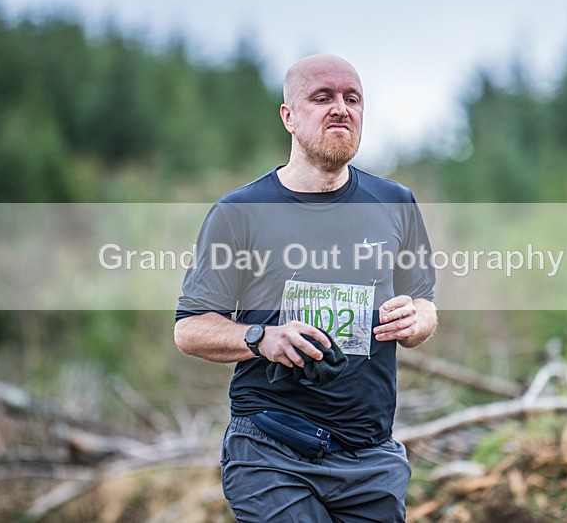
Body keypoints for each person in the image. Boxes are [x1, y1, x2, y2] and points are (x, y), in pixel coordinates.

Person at [174, 54, 437, 522]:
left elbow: (426, 307)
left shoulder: (395, 202)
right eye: (323, 97)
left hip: (370, 456)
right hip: (272, 449)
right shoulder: (240, 211)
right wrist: (261, 338)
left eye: (352, 98)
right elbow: (190, 329)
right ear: (288, 116)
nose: (341, 108)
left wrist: (416, 320)